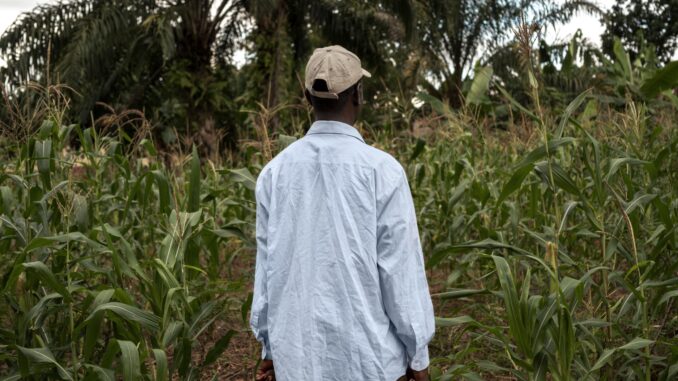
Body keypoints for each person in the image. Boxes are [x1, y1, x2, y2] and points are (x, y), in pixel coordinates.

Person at [249, 45, 435, 381]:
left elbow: (268, 274)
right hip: (371, 364)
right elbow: (400, 276)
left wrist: (271, 349)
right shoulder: (383, 172)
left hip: (298, 363)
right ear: (358, 95)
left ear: (308, 99)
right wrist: (418, 358)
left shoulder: (274, 174)